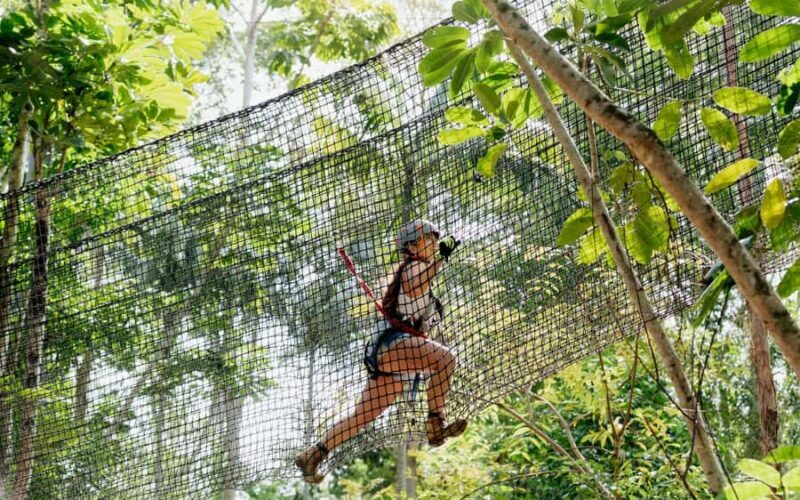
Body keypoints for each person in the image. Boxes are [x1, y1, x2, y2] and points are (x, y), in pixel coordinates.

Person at [295, 220, 466, 483]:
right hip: (394, 346)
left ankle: (314, 454)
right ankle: (435, 424)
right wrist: (441, 259)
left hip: (394, 359)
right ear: (412, 245)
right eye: (428, 239)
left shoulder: (421, 272)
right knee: (447, 359)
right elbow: (415, 283)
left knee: (362, 417)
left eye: (435, 240)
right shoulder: (414, 267)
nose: (433, 243)